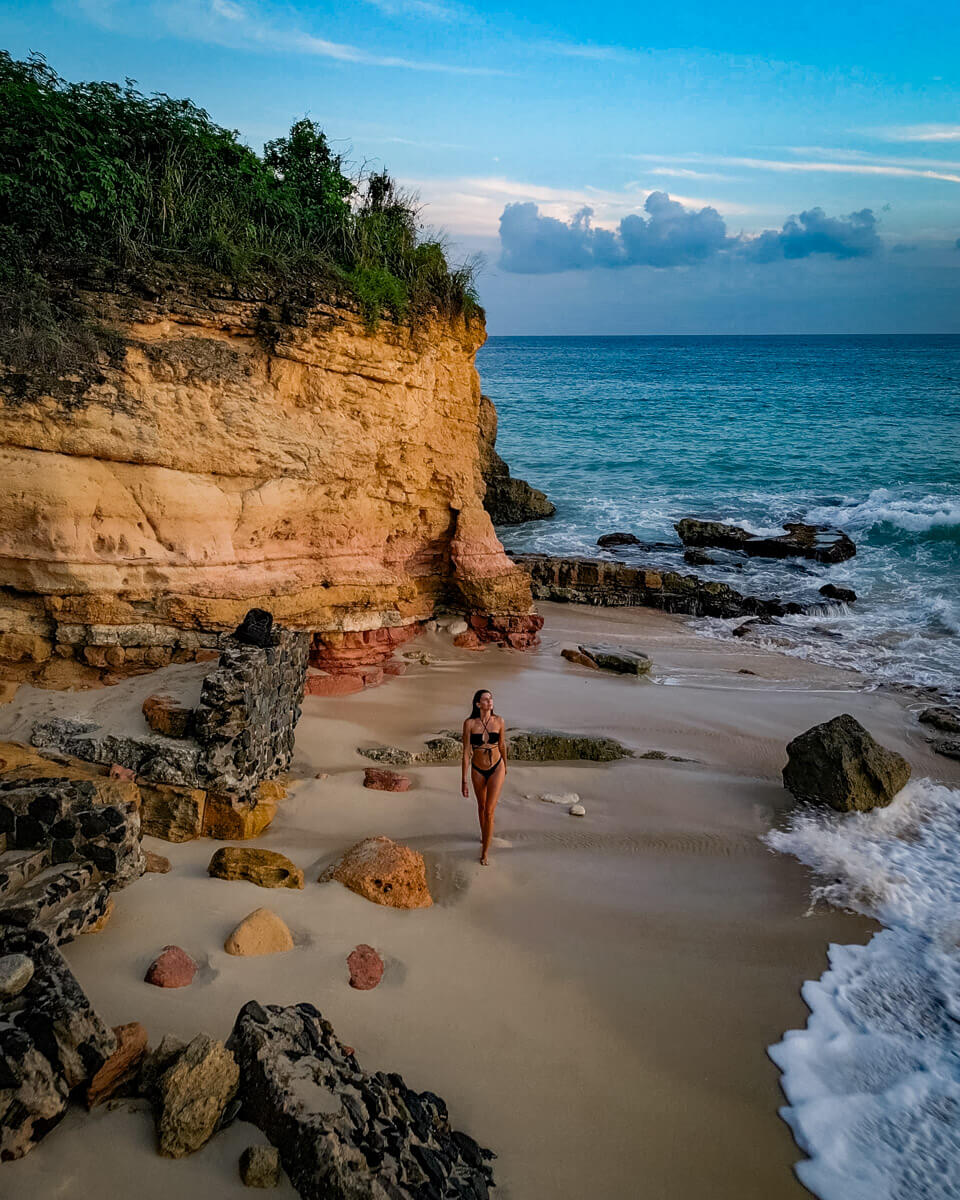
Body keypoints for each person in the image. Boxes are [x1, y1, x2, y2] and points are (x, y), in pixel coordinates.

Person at [461, 688, 506, 865]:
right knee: (481, 807)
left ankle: (485, 851)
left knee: (489, 810)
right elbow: (466, 752)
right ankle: (485, 834)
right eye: (485, 699)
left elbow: (502, 745)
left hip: (497, 767)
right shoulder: (469, 724)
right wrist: (463, 779)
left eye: (491, 699)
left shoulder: (499, 721)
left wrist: (506, 766)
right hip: (477, 768)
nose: (489, 702)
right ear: (478, 704)